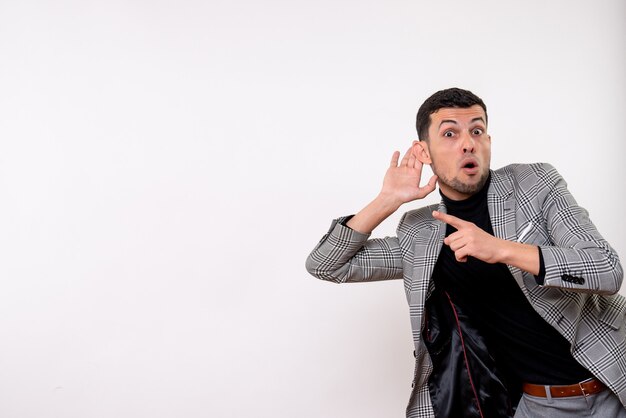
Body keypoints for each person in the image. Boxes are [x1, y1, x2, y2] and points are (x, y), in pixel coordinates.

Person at [305, 88, 626, 418]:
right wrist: (387, 200)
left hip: (613, 383)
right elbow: (327, 265)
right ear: (423, 152)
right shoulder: (422, 233)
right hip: (535, 406)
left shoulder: (534, 184)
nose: (468, 142)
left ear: (488, 141)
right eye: (449, 133)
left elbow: (606, 268)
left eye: (477, 130)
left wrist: (501, 249)